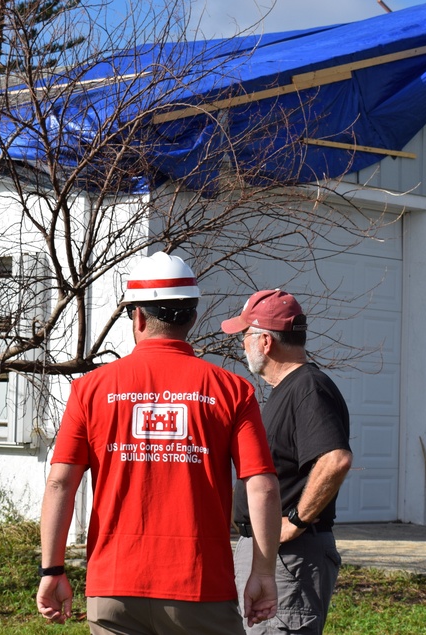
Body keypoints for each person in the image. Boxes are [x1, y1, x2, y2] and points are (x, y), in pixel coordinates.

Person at [37, 252, 283, 635]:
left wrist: (52, 570)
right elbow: (262, 485)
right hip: (201, 588)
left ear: (137, 316)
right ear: (192, 317)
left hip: (114, 587)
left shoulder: (90, 389)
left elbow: (59, 483)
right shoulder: (232, 390)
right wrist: (263, 572)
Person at [222, 289, 353, 634]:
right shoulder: (289, 389)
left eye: (245, 336)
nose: (241, 345)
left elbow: (335, 459)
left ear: (265, 341)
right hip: (276, 556)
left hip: (291, 557)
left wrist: (296, 519)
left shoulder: (309, 388)